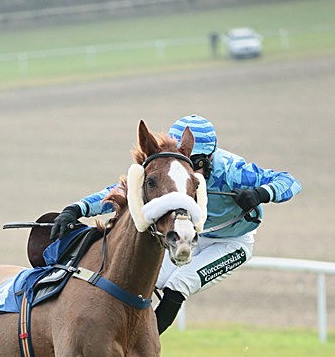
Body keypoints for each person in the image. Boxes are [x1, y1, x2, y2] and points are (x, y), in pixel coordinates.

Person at [50, 114, 302, 334]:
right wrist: (77, 208)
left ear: (211, 156)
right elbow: (122, 191)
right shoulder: (170, 168)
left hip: (231, 242)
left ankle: (144, 343)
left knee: (178, 284)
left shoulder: (232, 171)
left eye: (198, 162)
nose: (193, 170)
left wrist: (261, 193)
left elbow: (290, 181)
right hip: (188, 234)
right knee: (146, 281)